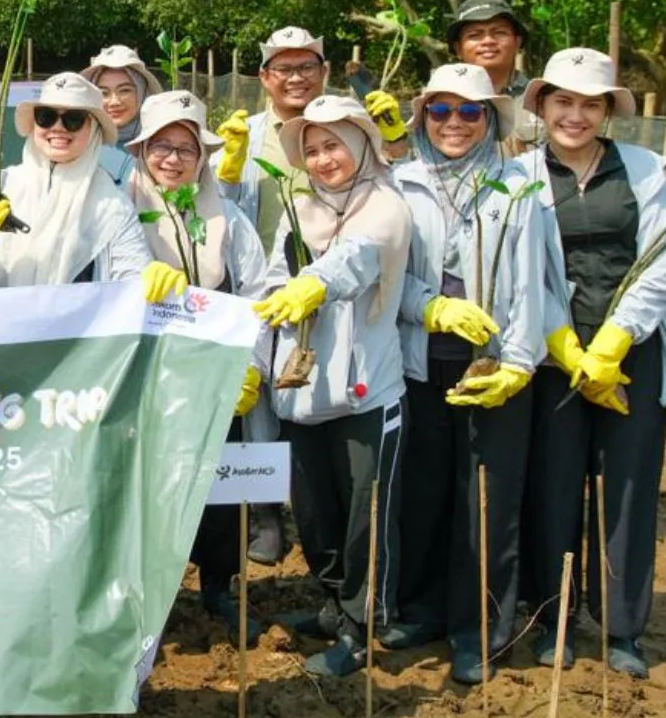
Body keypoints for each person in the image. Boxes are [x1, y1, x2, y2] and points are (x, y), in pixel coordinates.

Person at [388, 63, 544, 684]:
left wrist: (519, 361)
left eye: (470, 112)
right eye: (441, 111)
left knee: (486, 504)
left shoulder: (516, 188)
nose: (455, 124)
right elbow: (388, 277)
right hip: (420, 363)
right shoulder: (401, 183)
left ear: (490, 120)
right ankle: (420, 609)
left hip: (491, 365)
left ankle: (479, 628)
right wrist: (427, 305)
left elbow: (532, 284)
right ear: (423, 117)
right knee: (422, 494)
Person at [517, 48, 665, 678]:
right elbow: (522, 271)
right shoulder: (521, 174)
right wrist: (565, 343)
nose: (574, 115)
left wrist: (616, 340)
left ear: (608, 112)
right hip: (557, 356)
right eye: (563, 101)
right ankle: (555, 617)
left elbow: (660, 259)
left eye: (590, 104)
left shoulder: (647, 168)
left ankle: (622, 626)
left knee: (628, 483)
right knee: (554, 483)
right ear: (543, 105)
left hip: (632, 350)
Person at [254, 95, 412, 678]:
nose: (323, 160)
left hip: (366, 391)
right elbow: (274, 276)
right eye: (313, 150)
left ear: (363, 145)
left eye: (334, 145)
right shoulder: (300, 209)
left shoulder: (386, 206)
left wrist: (314, 284)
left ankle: (360, 625)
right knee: (315, 512)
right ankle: (330, 602)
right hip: (301, 391)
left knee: (363, 516)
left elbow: (357, 261)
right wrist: (266, 319)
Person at [122, 91, 273, 641]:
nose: (173, 159)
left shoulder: (226, 218)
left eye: (186, 148)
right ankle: (145, 601)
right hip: (148, 381)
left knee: (219, 491)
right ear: (141, 150)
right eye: (161, 145)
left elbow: (258, 293)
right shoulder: (120, 213)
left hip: (215, 380)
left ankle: (218, 585)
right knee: (146, 490)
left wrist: (251, 367)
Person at [213, 26, 335, 564]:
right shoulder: (250, 131)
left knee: (313, 393)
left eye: (305, 66)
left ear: (323, 73)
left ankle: (314, 507)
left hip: (328, 278)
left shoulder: (338, 127)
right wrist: (230, 166)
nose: (295, 77)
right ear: (264, 77)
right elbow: (218, 204)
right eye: (282, 68)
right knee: (260, 393)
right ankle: (265, 513)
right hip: (263, 279)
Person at [0, 72, 149, 288]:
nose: (58, 127)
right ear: (34, 124)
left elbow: (132, 282)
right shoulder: (2, 184)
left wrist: (150, 282)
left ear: (94, 129)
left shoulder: (113, 206)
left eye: (73, 119)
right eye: (46, 116)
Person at [447, 0, 543, 148]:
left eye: (499, 32)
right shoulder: (439, 105)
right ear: (458, 48)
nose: (488, 41)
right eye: (474, 35)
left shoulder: (543, 99)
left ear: (517, 42)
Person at [86, 45, 162, 186]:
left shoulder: (162, 145)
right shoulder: (77, 143)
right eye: (104, 93)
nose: (114, 102)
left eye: (125, 90)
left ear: (142, 92)